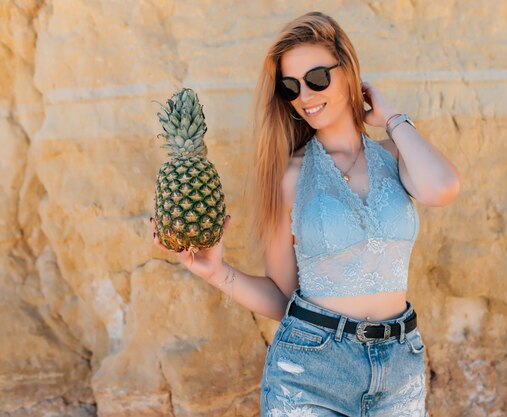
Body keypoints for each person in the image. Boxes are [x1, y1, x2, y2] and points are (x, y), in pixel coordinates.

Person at [151, 10, 459, 417]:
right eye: (291, 87)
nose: (306, 96)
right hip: (310, 370)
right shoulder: (289, 177)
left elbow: (441, 189)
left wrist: (390, 117)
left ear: (348, 71)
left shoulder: (396, 153)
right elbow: (283, 298)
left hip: (399, 369)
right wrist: (215, 272)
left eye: (317, 78)